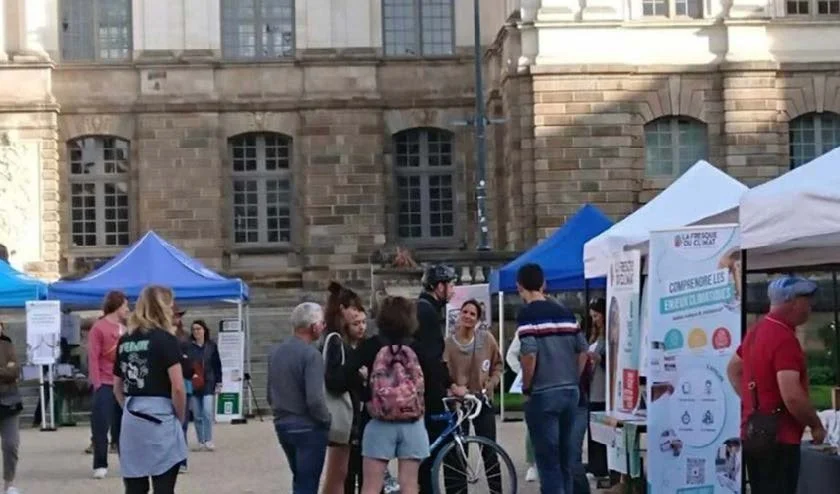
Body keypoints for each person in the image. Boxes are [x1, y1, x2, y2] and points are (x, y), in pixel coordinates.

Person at [726, 276, 826, 494]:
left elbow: (733, 369)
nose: (810, 306)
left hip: (754, 432)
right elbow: (792, 395)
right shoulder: (784, 338)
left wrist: (753, 403)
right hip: (780, 437)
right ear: (793, 302)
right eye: (807, 299)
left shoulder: (756, 331)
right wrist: (815, 425)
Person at [351, 296, 445, 494]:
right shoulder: (417, 348)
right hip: (412, 422)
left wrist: (366, 395)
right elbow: (434, 382)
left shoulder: (370, 346)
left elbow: (345, 376)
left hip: (378, 421)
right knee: (410, 485)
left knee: (371, 486)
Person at [517, 263, 587, 494]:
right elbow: (583, 350)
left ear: (519, 286)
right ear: (543, 284)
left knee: (548, 461)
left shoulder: (527, 315)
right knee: (566, 459)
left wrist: (527, 386)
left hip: (543, 392)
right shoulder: (566, 312)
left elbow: (529, 354)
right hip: (570, 390)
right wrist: (574, 377)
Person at [113, 285, 188, 494]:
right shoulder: (166, 339)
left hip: (132, 415)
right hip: (160, 413)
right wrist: (179, 416)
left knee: (135, 486)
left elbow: (116, 386)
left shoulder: (124, 340)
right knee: (164, 485)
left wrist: (127, 408)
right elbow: (178, 387)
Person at [267, 302, 331, 494]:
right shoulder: (311, 355)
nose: (323, 327)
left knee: (300, 479)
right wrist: (326, 419)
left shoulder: (275, 352)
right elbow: (315, 399)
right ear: (314, 327)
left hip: (283, 422)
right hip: (308, 425)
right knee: (308, 482)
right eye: (322, 323)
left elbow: (269, 393)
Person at [442, 299, 503, 493]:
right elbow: (442, 372)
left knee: (489, 451)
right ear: (459, 315)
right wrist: (452, 387)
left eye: (472, 314)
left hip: (481, 402)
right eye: (465, 312)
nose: (468, 316)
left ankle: (497, 491)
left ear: (478, 320)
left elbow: (498, 365)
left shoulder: (486, 339)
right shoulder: (448, 344)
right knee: (458, 453)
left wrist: (491, 383)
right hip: (458, 405)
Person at [414, 264, 462, 494]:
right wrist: (450, 384)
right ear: (439, 287)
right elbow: (432, 358)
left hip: (424, 386)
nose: (453, 290)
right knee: (433, 451)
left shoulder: (424, 308)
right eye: (450, 285)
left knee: (429, 451)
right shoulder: (427, 312)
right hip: (429, 391)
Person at [321, 282, 366, 494]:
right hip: (342, 414)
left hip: (347, 415)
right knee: (339, 474)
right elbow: (335, 380)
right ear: (342, 310)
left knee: (342, 473)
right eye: (353, 309)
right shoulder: (335, 340)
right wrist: (358, 375)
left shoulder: (338, 339)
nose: (356, 313)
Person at [89, 290, 129, 479]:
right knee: (100, 425)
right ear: (117, 306)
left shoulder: (127, 328)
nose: (128, 309)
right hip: (105, 383)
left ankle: (127, 462)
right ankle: (100, 463)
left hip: (124, 383)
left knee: (124, 426)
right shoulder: (98, 328)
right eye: (125, 306)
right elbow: (93, 357)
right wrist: (97, 384)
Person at [505, 325, 537, 482]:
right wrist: (523, 373)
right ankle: (532, 464)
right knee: (532, 423)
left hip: (553, 380)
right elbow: (511, 355)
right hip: (533, 384)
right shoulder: (525, 329)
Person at [186, 320, 222, 452]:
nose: (196, 331)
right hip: (194, 382)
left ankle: (208, 439)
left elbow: (217, 364)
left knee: (207, 411)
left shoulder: (211, 346)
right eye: (194, 329)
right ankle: (200, 440)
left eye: (199, 329)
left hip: (208, 381)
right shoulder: (189, 347)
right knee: (197, 414)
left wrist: (219, 381)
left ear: (204, 330)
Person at [586, 298, 609, 483]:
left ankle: (601, 465)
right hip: (593, 387)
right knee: (593, 428)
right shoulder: (595, 335)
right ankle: (595, 464)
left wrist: (599, 359)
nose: (594, 320)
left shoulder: (608, 336)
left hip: (602, 389)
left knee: (600, 429)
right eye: (592, 316)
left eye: (596, 315)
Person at [0, 322, 22, 494]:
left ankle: (9, 483)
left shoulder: (8, 345)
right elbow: (8, 372)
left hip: (9, 401)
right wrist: (4, 370)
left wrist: (7, 371)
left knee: (11, 444)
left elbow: (14, 371)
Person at [172, 306, 193, 473]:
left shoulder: (184, 336)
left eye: (178, 316)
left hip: (184, 380)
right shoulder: (162, 335)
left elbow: (189, 360)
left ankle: (182, 460)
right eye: (174, 316)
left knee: (182, 423)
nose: (176, 319)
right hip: (167, 382)